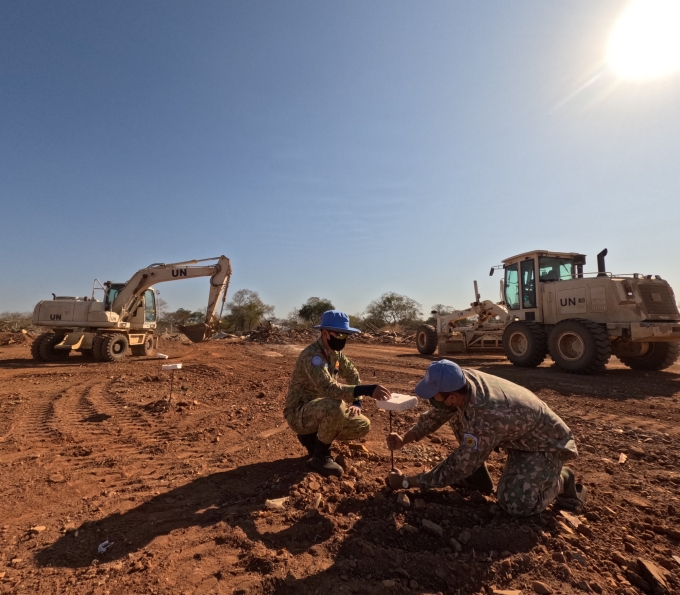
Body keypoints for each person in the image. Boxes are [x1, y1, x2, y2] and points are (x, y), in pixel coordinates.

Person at [386, 360, 587, 515]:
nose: (430, 399)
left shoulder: (485, 415)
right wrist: (406, 438)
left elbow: (458, 466)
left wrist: (407, 482)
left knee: (516, 503)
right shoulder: (460, 382)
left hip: (544, 443)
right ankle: (477, 480)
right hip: (516, 432)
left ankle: (563, 479)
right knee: (455, 414)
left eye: (434, 395)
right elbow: (438, 414)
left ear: (452, 395)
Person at [284, 310, 391, 477]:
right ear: (325, 333)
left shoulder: (336, 354)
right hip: (299, 413)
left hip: (319, 409)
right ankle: (320, 457)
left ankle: (312, 439)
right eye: (339, 334)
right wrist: (368, 389)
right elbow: (328, 389)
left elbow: (352, 373)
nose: (343, 339)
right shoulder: (313, 356)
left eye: (346, 335)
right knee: (335, 405)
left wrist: (357, 402)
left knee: (361, 424)